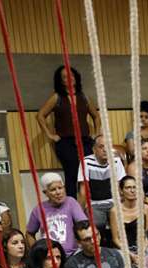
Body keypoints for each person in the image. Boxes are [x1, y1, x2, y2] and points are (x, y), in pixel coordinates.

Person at [36, 65, 100, 198]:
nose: (69, 78)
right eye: (65, 77)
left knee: (89, 173)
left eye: (71, 75)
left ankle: (91, 204)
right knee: (72, 175)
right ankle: (72, 208)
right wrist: (50, 135)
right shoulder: (57, 97)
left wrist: (96, 134)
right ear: (60, 81)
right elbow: (40, 115)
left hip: (85, 141)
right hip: (65, 142)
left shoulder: (84, 97)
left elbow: (96, 116)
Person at [77, 134, 127, 244]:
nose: (105, 150)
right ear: (94, 149)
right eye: (101, 147)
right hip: (94, 204)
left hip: (114, 203)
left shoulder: (117, 161)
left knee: (122, 222)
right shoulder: (86, 162)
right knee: (97, 224)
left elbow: (122, 187)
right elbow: (83, 191)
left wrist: (124, 206)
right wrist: (79, 215)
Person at [26, 172, 89, 256]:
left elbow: (84, 225)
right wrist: (36, 253)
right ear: (45, 193)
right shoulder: (38, 209)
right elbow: (29, 233)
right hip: (49, 256)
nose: (58, 192)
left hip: (72, 254)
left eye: (60, 188)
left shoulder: (71, 202)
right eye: (53, 190)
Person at [112, 175, 148, 260]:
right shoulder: (115, 211)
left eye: (134, 187)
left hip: (142, 248)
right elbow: (115, 239)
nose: (132, 190)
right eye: (128, 188)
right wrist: (130, 254)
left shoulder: (146, 209)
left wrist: (142, 251)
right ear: (121, 191)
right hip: (123, 249)